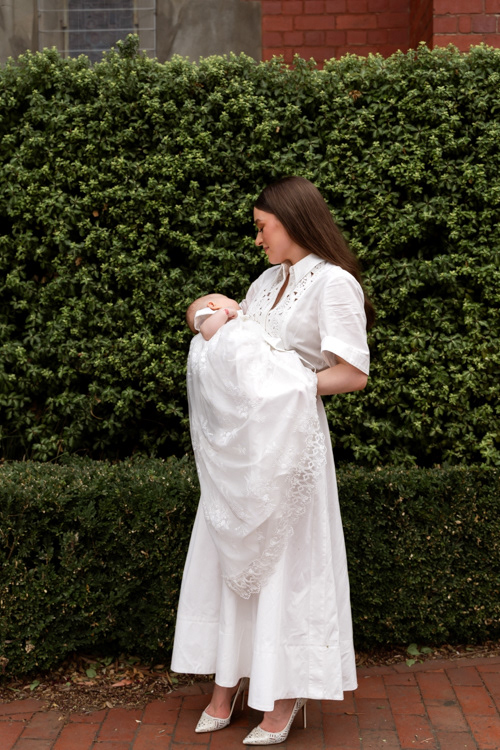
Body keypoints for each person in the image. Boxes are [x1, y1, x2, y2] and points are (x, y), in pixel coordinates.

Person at [171, 176, 373, 746]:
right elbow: (229, 342)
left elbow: (353, 374)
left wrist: (286, 387)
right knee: (232, 556)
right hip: (246, 449)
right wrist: (206, 323)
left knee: (287, 563)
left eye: (263, 227)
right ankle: (227, 682)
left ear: (293, 220)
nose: (257, 238)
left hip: (294, 444)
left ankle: (284, 695)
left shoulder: (333, 284)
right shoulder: (264, 283)